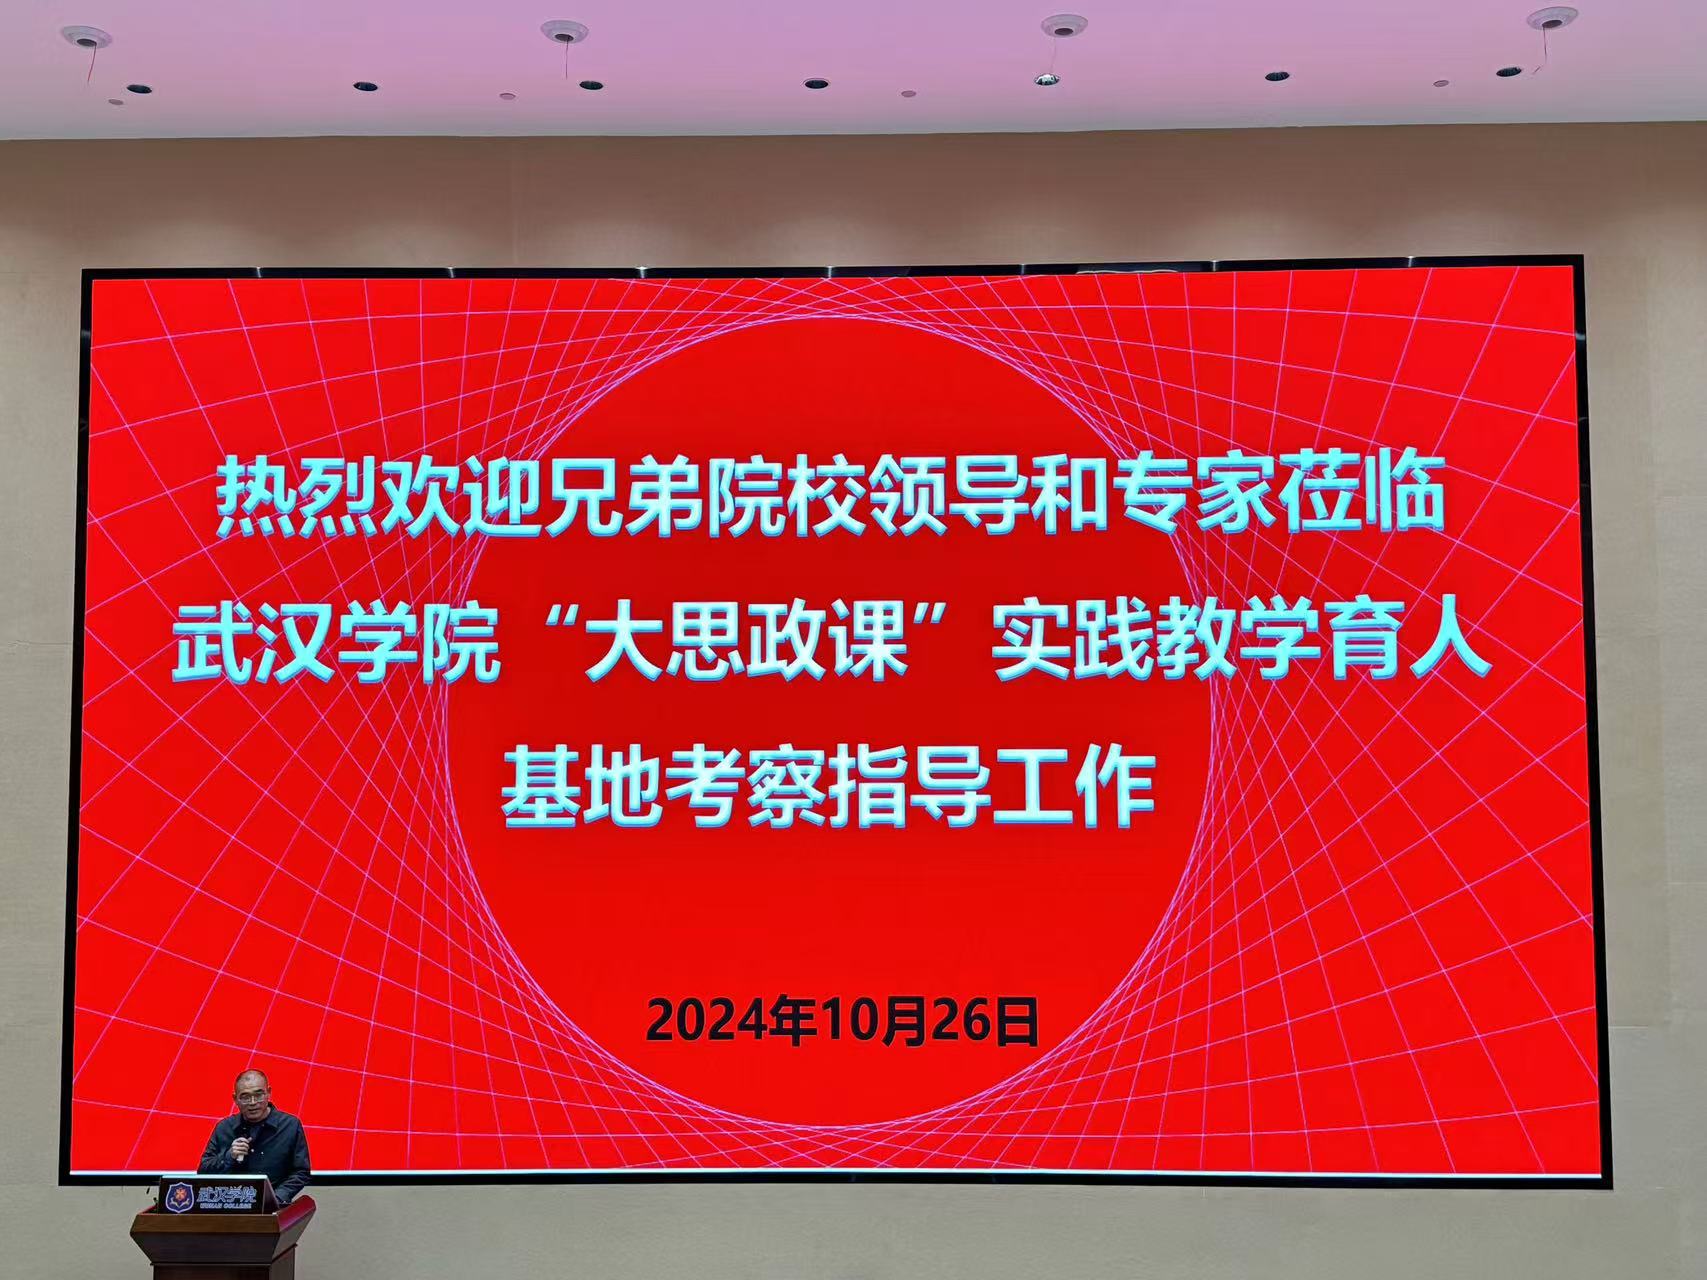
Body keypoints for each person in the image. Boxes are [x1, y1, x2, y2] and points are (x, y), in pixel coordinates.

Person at [197, 1069, 311, 1205]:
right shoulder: (224, 1127)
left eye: (258, 1095)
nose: (252, 1102)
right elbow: (203, 1172)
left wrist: (275, 1199)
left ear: (268, 1093)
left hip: (274, 1207)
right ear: (235, 1099)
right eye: (245, 1097)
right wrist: (229, 1156)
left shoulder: (290, 1125)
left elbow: (301, 1172)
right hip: (230, 1205)